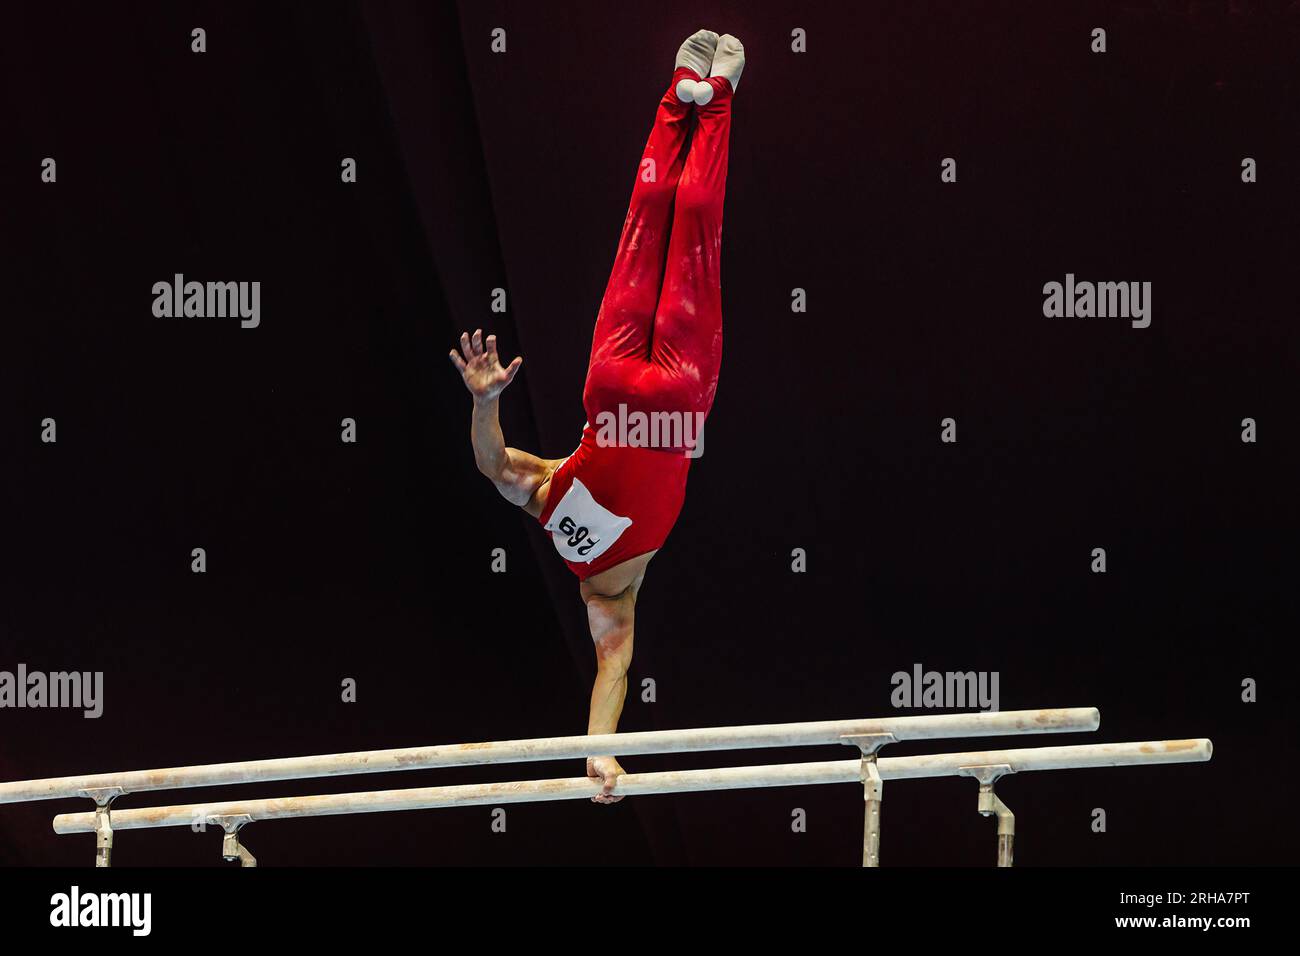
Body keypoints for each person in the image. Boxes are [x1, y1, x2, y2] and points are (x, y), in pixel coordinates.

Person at [450, 30, 744, 803]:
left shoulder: (550, 497)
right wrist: (599, 756)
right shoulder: (614, 598)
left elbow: (492, 463)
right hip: (680, 398)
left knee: (649, 212)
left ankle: (676, 94)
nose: (582, 568)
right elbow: (612, 674)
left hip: (612, 385)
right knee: (697, 216)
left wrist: (486, 403)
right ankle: (716, 104)